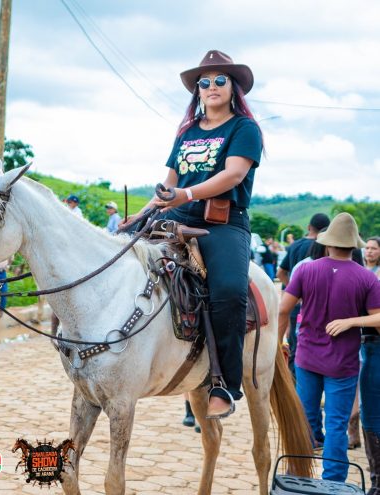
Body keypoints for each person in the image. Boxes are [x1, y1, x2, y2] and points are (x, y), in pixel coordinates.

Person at [121, 49, 262, 418]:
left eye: (220, 80)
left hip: (222, 223)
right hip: (178, 212)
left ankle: (224, 384)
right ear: (197, 91)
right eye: (205, 82)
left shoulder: (244, 129)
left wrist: (187, 193)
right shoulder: (186, 132)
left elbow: (233, 175)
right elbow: (169, 183)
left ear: (233, 88)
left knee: (230, 292)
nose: (212, 86)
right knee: (120, 257)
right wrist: (141, 213)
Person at [277, 213, 380, 482]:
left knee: (305, 418)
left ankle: (297, 474)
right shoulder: (367, 278)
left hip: (307, 357)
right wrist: (352, 321)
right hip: (343, 364)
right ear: (354, 246)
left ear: (328, 243)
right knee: (335, 424)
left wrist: (278, 343)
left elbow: (283, 309)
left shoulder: (306, 270)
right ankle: (333, 482)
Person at [327, 310, 380, 494]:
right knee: (371, 417)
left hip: (375, 350)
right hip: (370, 348)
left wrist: (350, 321)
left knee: (372, 418)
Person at [277, 213, 331, 375]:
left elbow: (280, 272)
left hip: (295, 307)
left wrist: (294, 292)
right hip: (322, 308)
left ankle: (295, 390)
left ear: (309, 227)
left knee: (296, 347)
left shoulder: (295, 246)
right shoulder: (331, 248)